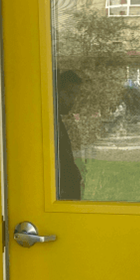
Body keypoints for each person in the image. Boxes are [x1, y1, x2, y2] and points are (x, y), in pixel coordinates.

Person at [56, 70, 83, 200]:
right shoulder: (47, 122)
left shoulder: (57, 120)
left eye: (75, 95)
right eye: (69, 94)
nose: (72, 100)